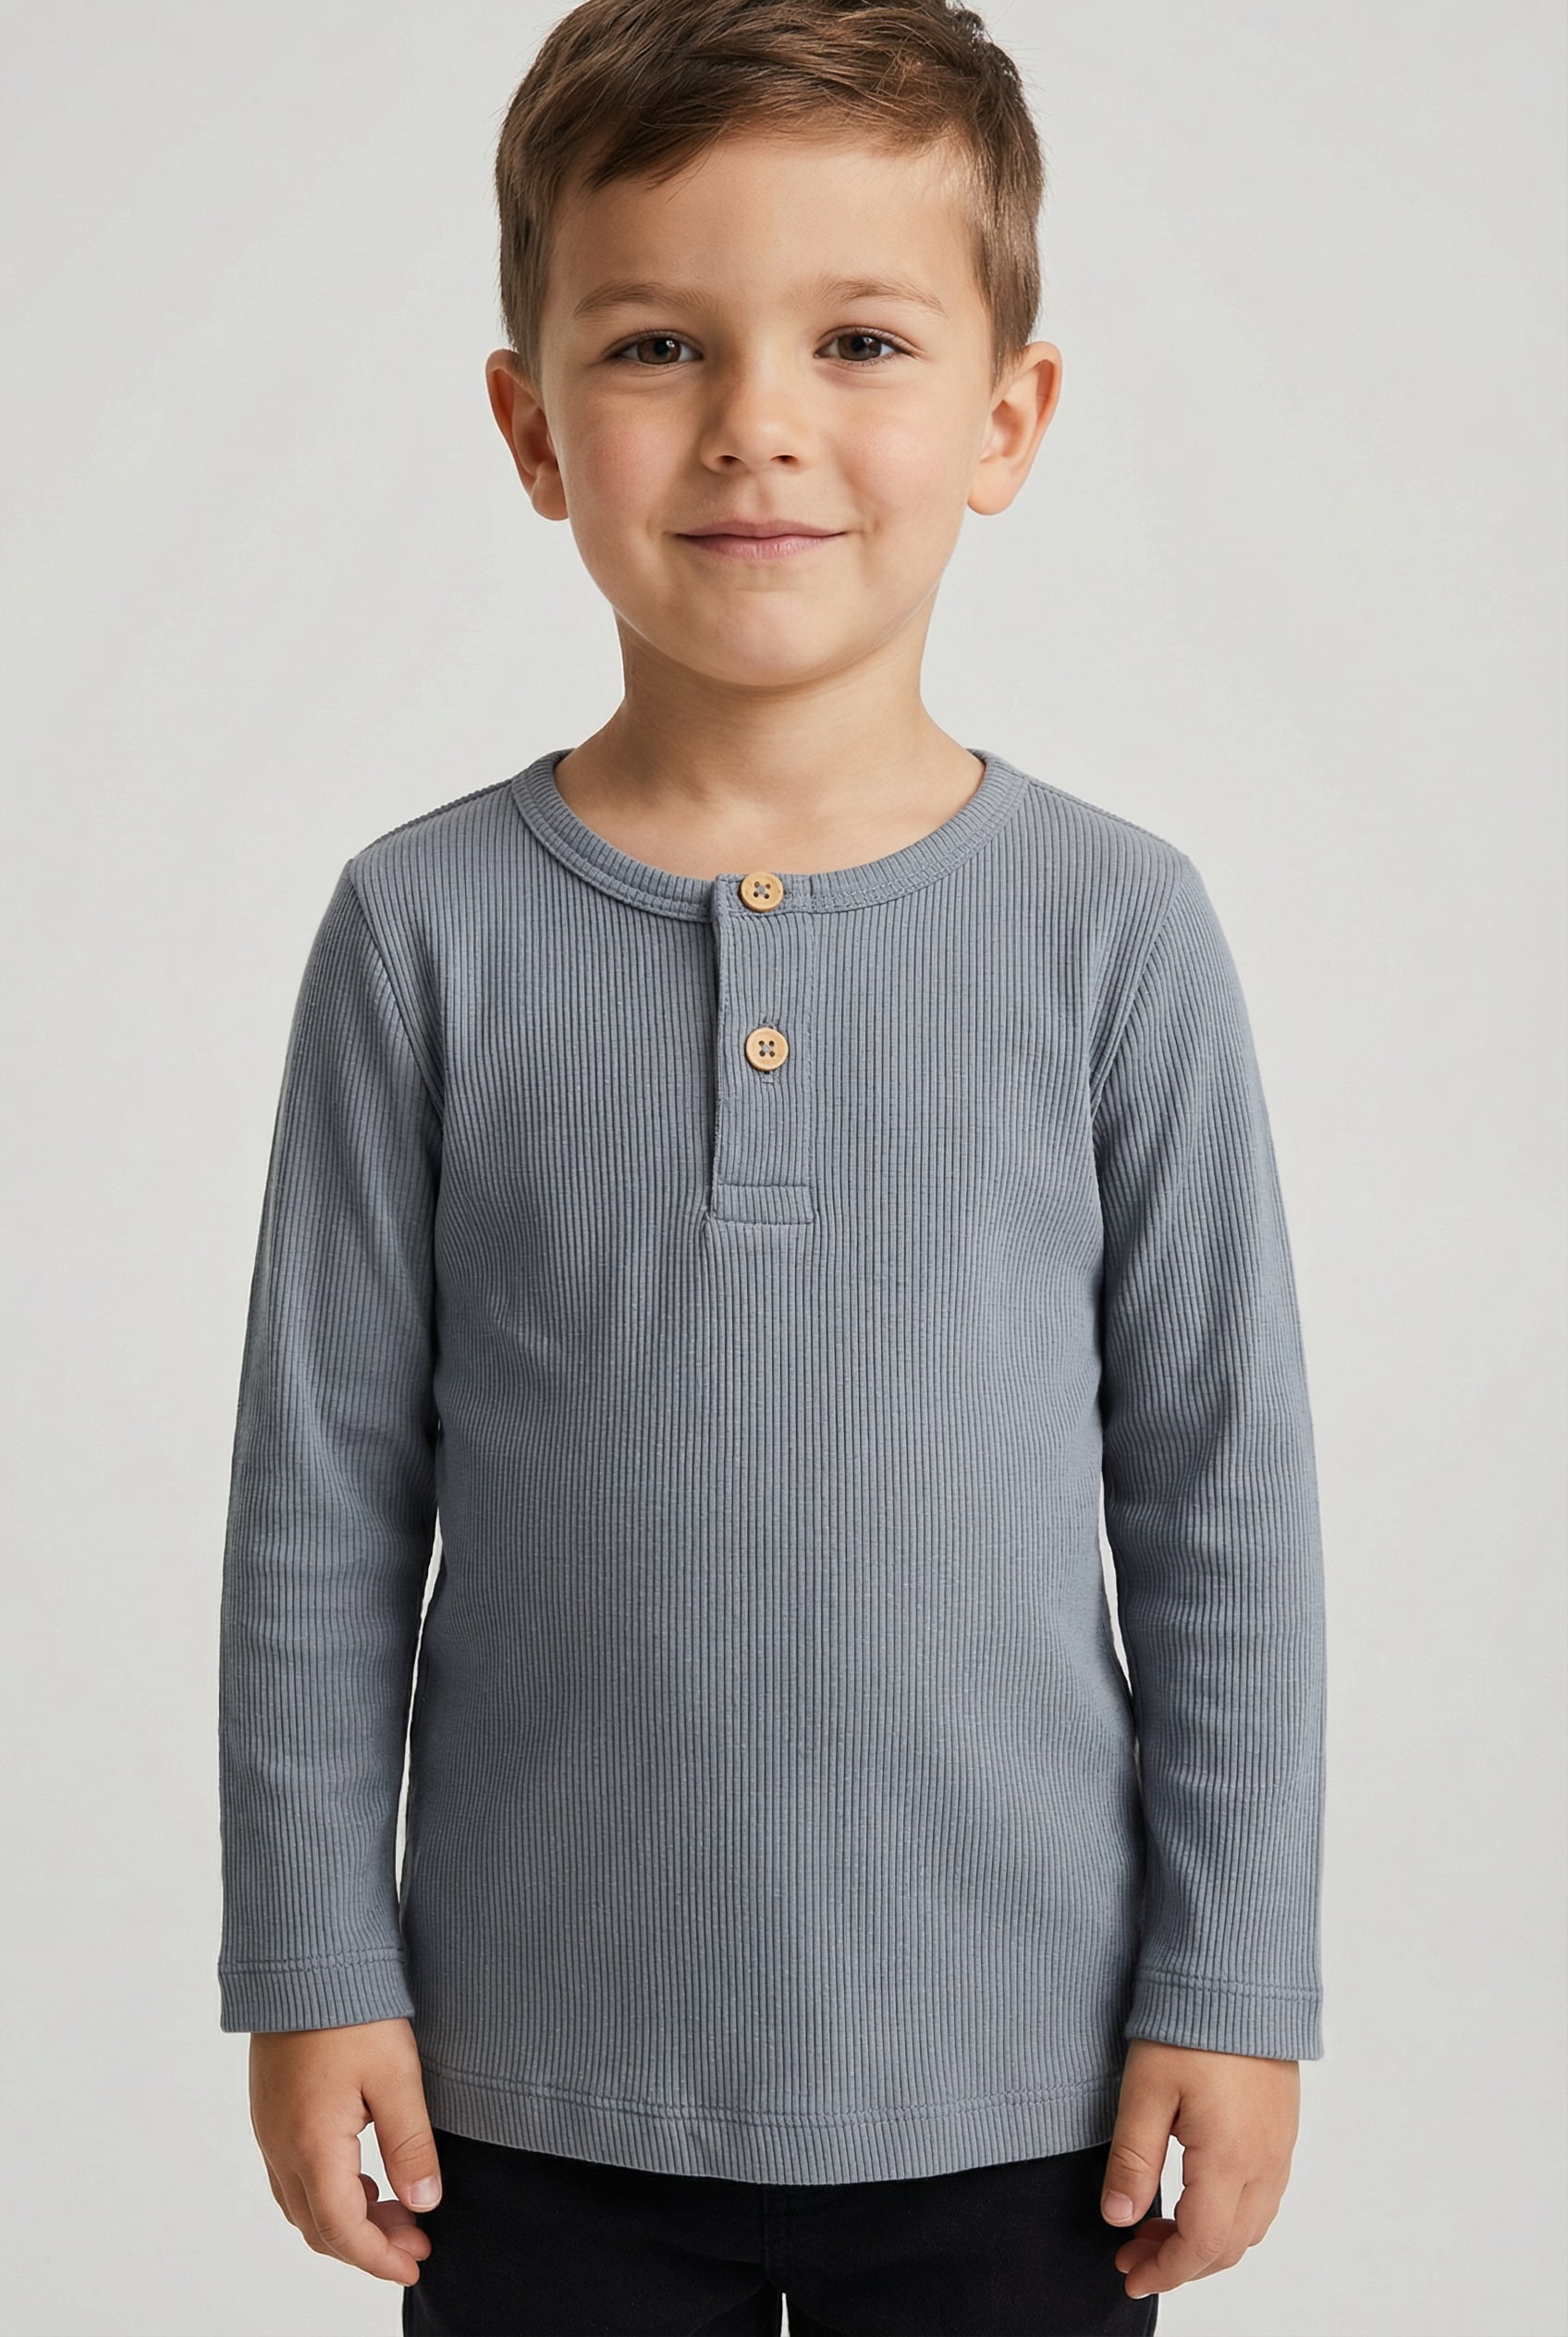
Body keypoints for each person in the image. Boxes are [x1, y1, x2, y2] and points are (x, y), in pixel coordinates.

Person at [215, 2, 1328, 2330]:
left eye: (858, 339)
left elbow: (1216, 1502)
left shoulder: (1115, 930)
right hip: (526, 2090)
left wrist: (1230, 1983)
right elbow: (321, 1498)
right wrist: (312, 1964)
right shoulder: (417, 932)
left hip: (1026, 2096)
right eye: (655, 342)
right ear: (530, 426)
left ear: (1005, 416)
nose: (756, 423)